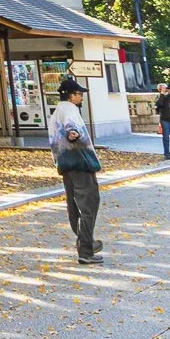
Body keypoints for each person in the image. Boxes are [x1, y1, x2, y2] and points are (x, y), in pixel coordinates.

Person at [50, 75, 103, 264]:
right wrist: (73, 133)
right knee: (89, 204)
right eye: (79, 94)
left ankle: (85, 241)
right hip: (80, 163)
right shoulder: (70, 110)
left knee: (74, 205)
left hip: (65, 164)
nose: (81, 97)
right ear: (71, 95)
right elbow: (71, 128)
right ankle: (86, 248)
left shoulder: (57, 111)